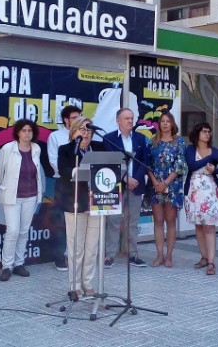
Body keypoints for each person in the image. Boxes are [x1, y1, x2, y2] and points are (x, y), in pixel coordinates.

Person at [57, 117, 104, 297]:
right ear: (74, 132)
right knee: (76, 247)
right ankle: (74, 285)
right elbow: (64, 171)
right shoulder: (66, 150)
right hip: (75, 202)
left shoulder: (99, 148)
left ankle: (87, 282)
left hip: (98, 202)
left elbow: (111, 167)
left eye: (89, 131)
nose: (86, 134)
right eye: (82, 130)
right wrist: (80, 170)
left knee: (92, 247)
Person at [0, 119, 46, 281]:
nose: (26, 133)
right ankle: (7, 267)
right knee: (13, 231)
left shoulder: (36, 149)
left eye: (29, 131)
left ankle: (19, 264)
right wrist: (6, 187)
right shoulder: (8, 148)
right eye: (23, 130)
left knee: (23, 231)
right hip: (12, 196)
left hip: (30, 196)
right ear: (17, 132)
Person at [103, 108, 149, 268]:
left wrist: (135, 178)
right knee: (114, 222)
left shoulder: (141, 138)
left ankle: (132, 254)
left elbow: (145, 161)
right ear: (118, 121)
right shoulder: (109, 139)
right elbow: (109, 161)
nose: (130, 121)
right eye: (127, 118)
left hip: (136, 186)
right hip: (117, 186)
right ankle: (110, 255)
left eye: (132, 118)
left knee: (133, 222)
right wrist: (124, 178)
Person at [184, 122, 218, 276]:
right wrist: (209, 158)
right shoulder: (190, 149)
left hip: (210, 192)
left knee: (209, 226)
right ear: (197, 134)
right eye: (204, 131)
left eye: (209, 131)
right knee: (199, 226)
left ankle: (211, 262)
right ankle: (203, 256)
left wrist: (216, 169)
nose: (207, 134)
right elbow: (192, 165)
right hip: (194, 192)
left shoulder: (215, 151)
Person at [147, 112, 187, 268]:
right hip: (155, 185)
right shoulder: (153, 142)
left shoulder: (179, 142)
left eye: (168, 121)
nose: (165, 124)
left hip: (173, 186)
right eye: (162, 121)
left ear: (172, 124)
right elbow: (148, 164)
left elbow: (180, 165)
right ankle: (159, 255)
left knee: (170, 221)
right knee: (158, 221)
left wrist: (166, 183)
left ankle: (169, 256)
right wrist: (156, 183)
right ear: (159, 124)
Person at [47, 105, 82, 271]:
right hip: (63, 183)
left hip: (82, 183)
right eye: (74, 117)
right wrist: (71, 173)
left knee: (78, 221)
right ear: (66, 120)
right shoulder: (56, 136)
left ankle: (74, 254)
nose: (77, 120)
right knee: (61, 221)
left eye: (79, 117)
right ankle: (60, 256)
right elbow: (54, 161)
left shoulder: (83, 135)